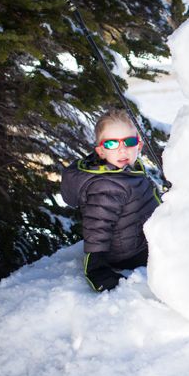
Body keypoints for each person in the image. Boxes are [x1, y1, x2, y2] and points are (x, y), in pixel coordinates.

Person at [61, 108, 160, 292]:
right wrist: (97, 270)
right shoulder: (106, 186)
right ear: (101, 152)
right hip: (130, 253)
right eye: (112, 144)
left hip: (137, 238)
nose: (122, 149)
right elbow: (97, 226)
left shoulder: (124, 170)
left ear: (139, 145)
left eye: (129, 142)